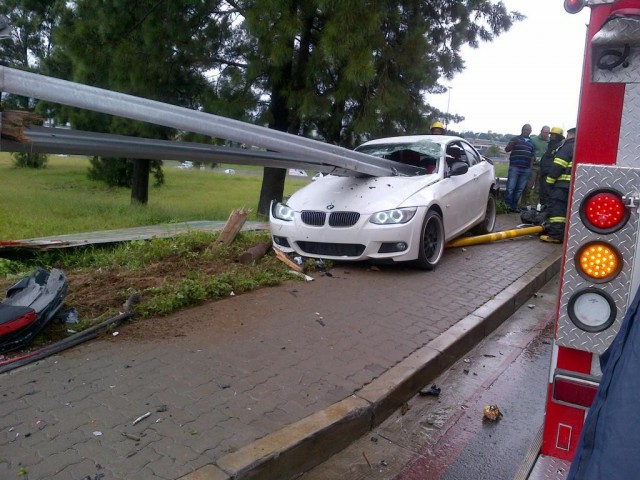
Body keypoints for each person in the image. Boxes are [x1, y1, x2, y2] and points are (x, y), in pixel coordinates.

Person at [540, 127, 576, 244]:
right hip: (574, 186)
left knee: (558, 211)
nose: (567, 137)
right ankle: (566, 235)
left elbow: (557, 167)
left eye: (568, 135)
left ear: (572, 135)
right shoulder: (581, 147)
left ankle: (555, 235)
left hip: (562, 186)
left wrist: (549, 182)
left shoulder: (567, 147)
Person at [504, 124, 535, 212]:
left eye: (528, 130)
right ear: (522, 130)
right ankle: (507, 206)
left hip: (526, 169)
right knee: (510, 188)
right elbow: (507, 149)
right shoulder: (515, 139)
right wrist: (513, 144)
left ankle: (514, 206)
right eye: (525, 129)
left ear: (530, 131)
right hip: (515, 167)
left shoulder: (531, 142)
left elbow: (532, 156)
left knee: (519, 190)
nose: (526, 131)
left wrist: (530, 168)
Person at [522, 125, 550, 205]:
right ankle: (523, 204)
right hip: (533, 167)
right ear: (541, 131)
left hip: (542, 168)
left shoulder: (549, 142)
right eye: (545, 132)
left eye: (548, 133)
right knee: (528, 186)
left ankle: (534, 205)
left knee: (538, 189)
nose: (546, 134)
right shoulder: (533, 140)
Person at [538, 127, 565, 208]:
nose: (551, 136)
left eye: (553, 135)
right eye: (551, 135)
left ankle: (547, 211)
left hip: (550, 174)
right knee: (542, 193)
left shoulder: (559, 146)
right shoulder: (551, 145)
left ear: (558, 136)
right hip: (544, 172)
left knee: (547, 194)